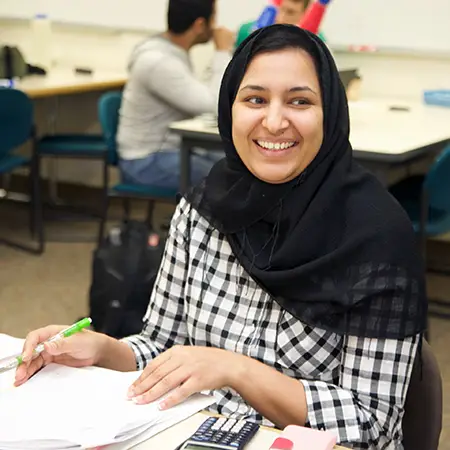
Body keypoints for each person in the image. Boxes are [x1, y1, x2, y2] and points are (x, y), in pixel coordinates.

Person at [16, 25, 427, 449]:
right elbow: (162, 346)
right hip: (193, 433)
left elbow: (372, 424)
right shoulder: (204, 210)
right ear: (230, 107)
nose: (273, 121)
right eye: (255, 99)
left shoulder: (375, 238)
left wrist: (238, 371)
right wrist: (103, 350)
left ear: (331, 114)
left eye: (300, 101)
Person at [117, 0, 234, 191]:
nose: (216, 26)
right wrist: (222, 52)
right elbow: (214, 104)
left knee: (240, 166)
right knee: (228, 180)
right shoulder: (158, 62)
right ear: (199, 25)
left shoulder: (170, 53)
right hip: (147, 161)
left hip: (169, 151)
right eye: (213, 19)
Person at [235, 0, 326, 49]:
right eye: (280, 9)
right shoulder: (245, 31)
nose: (281, 18)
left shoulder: (317, 40)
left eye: (291, 12)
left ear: (304, 14)